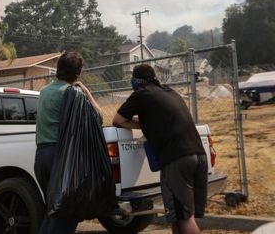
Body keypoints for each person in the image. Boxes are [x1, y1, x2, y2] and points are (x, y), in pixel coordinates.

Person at [112, 64, 207, 234]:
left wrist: (141, 125)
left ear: (136, 80)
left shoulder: (141, 94)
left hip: (177, 159)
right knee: (177, 216)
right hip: (199, 154)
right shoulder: (170, 92)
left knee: (184, 217)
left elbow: (117, 120)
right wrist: (150, 123)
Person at [34, 51, 102, 233]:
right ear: (77, 73)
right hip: (62, 159)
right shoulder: (73, 93)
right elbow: (98, 117)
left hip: (41, 157)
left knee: (53, 212)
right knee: (66, 215)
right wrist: (86, 91)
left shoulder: (44, 91)